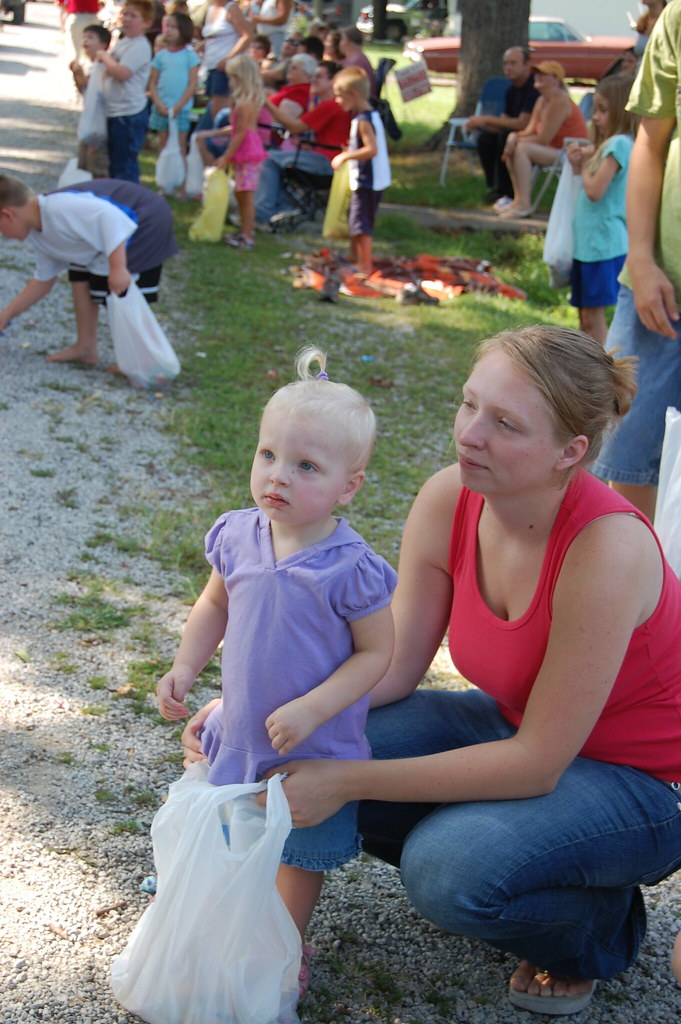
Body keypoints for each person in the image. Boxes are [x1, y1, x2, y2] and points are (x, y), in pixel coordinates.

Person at [182, 325, 681, 1017]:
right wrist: (252, 708)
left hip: (637, 783)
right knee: (288, 759)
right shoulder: (450, 496)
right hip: (510, 726)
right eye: (467, 405)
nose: (469, 435)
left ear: (569, 452)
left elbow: (536, 763)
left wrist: (347, 780)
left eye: (503, 423)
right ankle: (523, 857)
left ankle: (593, 928)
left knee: (448, 869)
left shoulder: (607, 550)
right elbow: (387, 668)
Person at [157, 345, 396, 1002]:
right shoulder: (236, 534)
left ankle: (281, 946)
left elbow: (376, 654)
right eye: (268, 454)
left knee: (296, 853)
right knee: (239, 832)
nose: (277, 476)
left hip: (311, 746)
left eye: (306, 465)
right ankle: (236, 925)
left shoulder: (349, 568)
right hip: (244, 732)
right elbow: (215, 604)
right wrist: (185, 666)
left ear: (349, 485)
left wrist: (315, 708)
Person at [591, 1, 681, 520]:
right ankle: (636, 594)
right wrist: (642, 261)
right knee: (622, 458)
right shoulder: (675, 20)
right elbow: (650, 143)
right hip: (658, 288)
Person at [0, 176, 178, 367]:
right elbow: (42, 282)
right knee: (79, 269)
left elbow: (110, 217)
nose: (3, 236)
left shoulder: (58, 208)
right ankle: (86, 347)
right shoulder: (40, 233)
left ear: (8, 215)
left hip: (145, 219)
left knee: (116, 288)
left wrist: (118, 268)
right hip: (123, 225)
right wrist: (6, 316)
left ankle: (144, 360)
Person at [565, 74, 637, 345]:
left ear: (620, 110)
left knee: (594, 319)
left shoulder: (618, 145)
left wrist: (584, 166)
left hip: (603, 245)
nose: (595, 117)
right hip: (589, 245)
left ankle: (605, 379)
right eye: (595, 109)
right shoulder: (607, 145)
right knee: (585, 317)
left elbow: (595, 191)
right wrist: (578, 164)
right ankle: (587, 374)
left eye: (603, 110)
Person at [256, 59, 348, 227]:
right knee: (275, 159)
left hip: (327, 163)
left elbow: (294, 126)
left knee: (267, 159)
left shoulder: (331, 105)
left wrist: (266, 102)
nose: (313, 80)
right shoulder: (335, 104)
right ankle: (283, 209)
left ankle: (263, 212)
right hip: (332, 159)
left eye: (319, 77)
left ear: (333, 82)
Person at [498, 60, 588, 219]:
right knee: (513, 146)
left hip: (570, 153)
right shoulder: (541, 101)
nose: (537, 77)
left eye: (542, 74)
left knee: (521, 148)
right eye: (537, 74)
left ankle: (525, 203)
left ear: (556, 79)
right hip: (552, 149)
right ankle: (518, 199)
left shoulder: (560, 101)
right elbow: (530, 131)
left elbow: (543, 138)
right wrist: (513, 137)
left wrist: (517, 142)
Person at [331, 67, 390, 276]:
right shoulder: (370, 116)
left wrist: (346, 156)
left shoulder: (363, 121)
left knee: (361, 222)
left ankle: (364, 264)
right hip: (373, 179)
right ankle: (354, 256)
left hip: (368, 179)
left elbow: (371, 149)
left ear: (352, 94)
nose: (336, 100)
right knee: (356, 219)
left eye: (339, 96)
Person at [464, 46, 539, 206]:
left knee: (506, 136)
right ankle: (496, 188)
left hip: (535, 136)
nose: (508, 68)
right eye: (505, 64)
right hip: (515, 133)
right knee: (486, 138)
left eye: (513, 63)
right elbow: (503, 122)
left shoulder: (534, 88)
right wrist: (481, 125)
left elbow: (522, 123)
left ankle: (510, 190)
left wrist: (485, 119)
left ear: (527, 65)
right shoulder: (511, 90)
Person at [97, 0, 154, 183]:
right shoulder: (123, 42)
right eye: (125, 14)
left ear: (146, 22)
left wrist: (105, 57)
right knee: (115, 164)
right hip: (116, 110)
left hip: (128, 114)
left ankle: (128, 203)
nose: (127, 19)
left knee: (125, 167)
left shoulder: (139, 46)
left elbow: (123, 73)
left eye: (133, 16)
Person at [215, 54, 268, 249]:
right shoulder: (245, 101)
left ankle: (247, 235)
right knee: (240, 193)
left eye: (232, 77)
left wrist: (225, 156)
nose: (229, 82)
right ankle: (244, 231)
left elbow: (240, 134)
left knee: (245, 196)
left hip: (248, 152)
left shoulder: (245, 103)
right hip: (245, 150)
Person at [148, 11, 201, 159]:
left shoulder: (190, 56)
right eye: (167, 26)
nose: (168, 30)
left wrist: (179, 106)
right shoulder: (160, 56)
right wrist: (158, 103)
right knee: (163, 146)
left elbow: (192, 84)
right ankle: (164, 179)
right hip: (162, 108)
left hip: (181, 110)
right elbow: (153, 82)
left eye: (174, 27)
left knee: (180, 147)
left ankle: (180, 181)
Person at [69, 22, 112, 178]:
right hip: (89, 124)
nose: (85, 41)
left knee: (97, 164)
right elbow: (85, 90)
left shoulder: (104, 66)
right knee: (85, 164)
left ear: (103, 45)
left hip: (99, 126)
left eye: (91, 38)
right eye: (84, 37)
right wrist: (77, 74)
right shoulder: (91, 66)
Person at [200, 0, 253, 119]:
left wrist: (228, 59)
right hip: (211, 67)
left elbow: (247, 35)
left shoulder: (232, 9)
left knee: (219, 112)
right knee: (213, 109)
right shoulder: (211, 9)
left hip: (225, 69)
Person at [338, 26, 375, 97]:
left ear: (346, 41)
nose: (340, 43)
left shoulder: (356, 62)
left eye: (342, 39)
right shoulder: (359, 58)